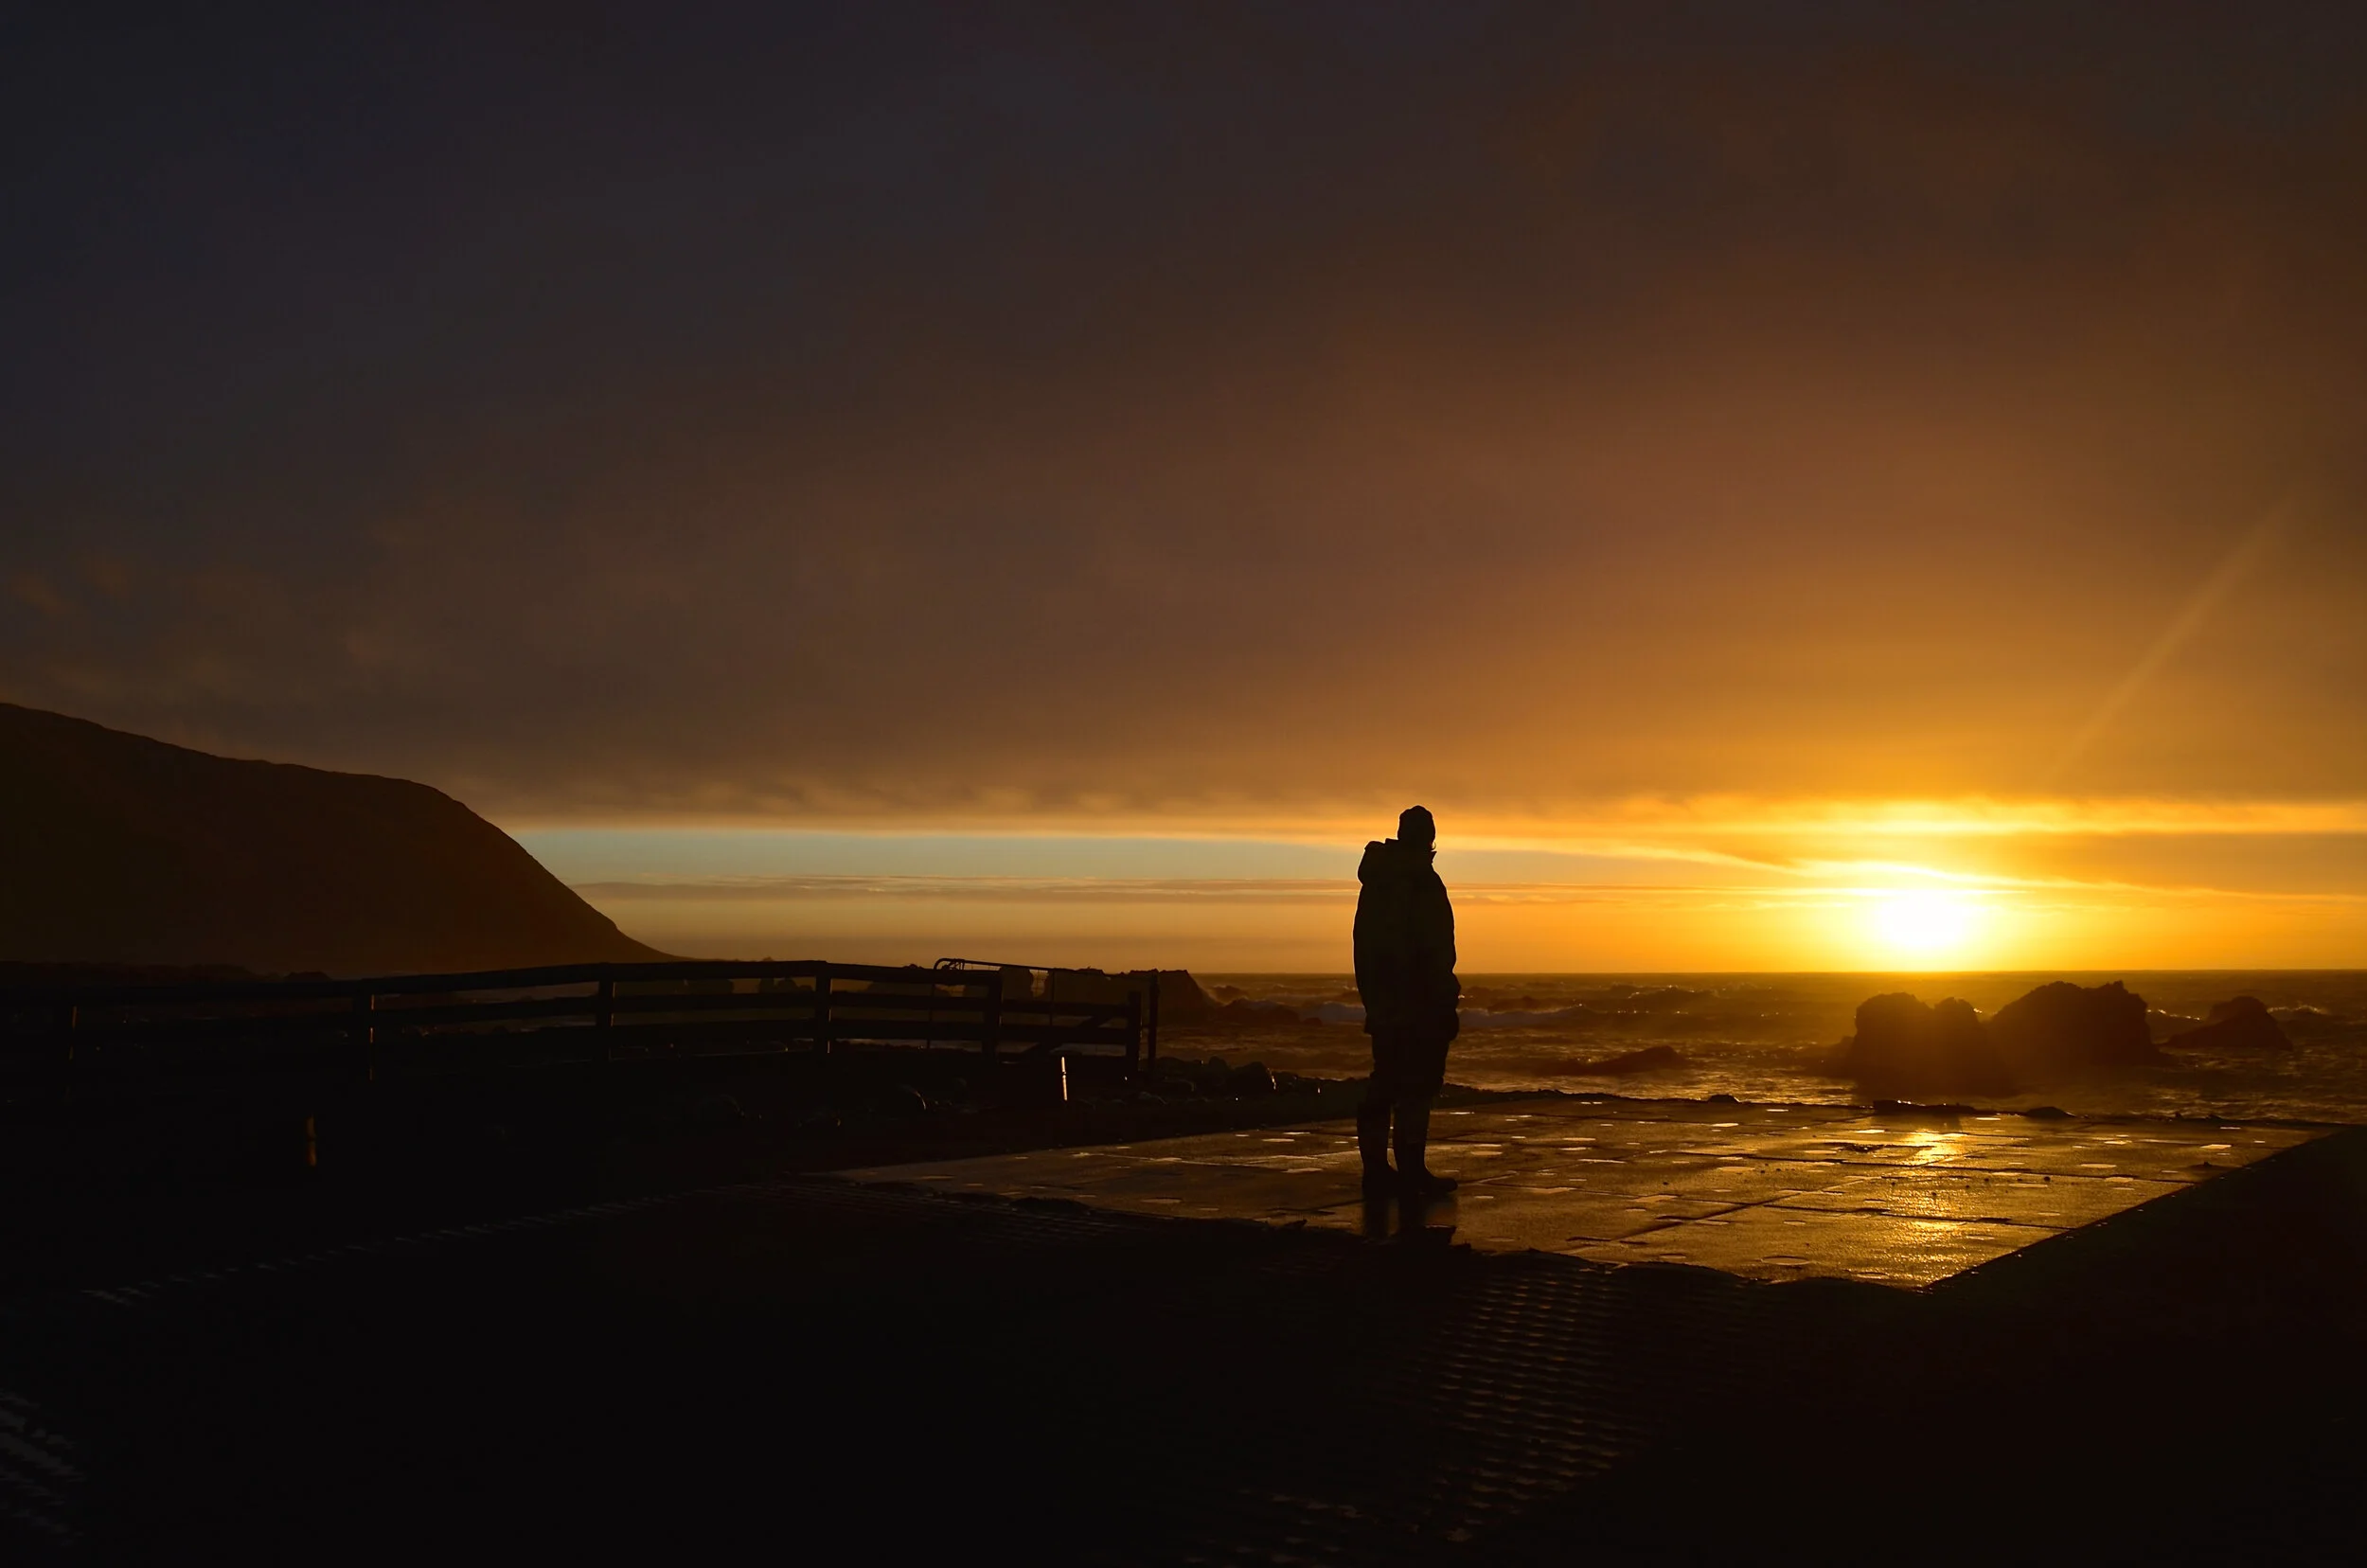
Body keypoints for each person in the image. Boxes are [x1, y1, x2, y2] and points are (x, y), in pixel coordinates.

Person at [1352, 805, 1460, 1199]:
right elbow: (1433, 950)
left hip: (1384, 1001)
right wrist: (1442, 999)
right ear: (1430, 838)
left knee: (1387, 1082)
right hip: (1417, 1003)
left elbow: (1365, 947)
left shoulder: (1378, 881)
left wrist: (1375, 998)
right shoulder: (1419, 881)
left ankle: (1378, 1170)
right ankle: (1409, 1171)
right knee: (1416, 1086)